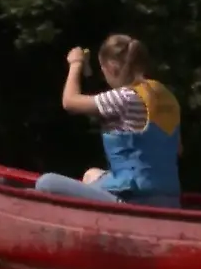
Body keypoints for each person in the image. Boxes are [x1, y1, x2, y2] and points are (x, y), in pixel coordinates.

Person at [34, 35, 183, 208]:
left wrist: (76, 64)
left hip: (134, 201)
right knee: (92, 174)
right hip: (170, 200)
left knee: (45, 183)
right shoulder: (166, 96)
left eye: (102, 68)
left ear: (112, 67)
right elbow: (177, 148)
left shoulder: (124, 97)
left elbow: (69, 102)